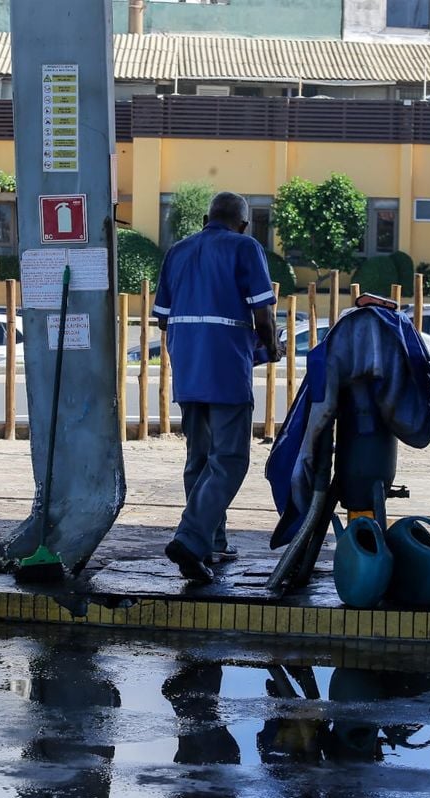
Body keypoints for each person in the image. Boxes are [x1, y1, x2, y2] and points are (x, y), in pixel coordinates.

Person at [153, 191, 279, 583]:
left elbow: (162, 319)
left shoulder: (177, 251)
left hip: (188, 368)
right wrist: (271, 345)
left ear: (206, 217)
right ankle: (191, 539)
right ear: (242, 223)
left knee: (199, 458)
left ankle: (213, 543)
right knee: (230, 460)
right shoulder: (246, 246)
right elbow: (263, 311)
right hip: (226, 368)